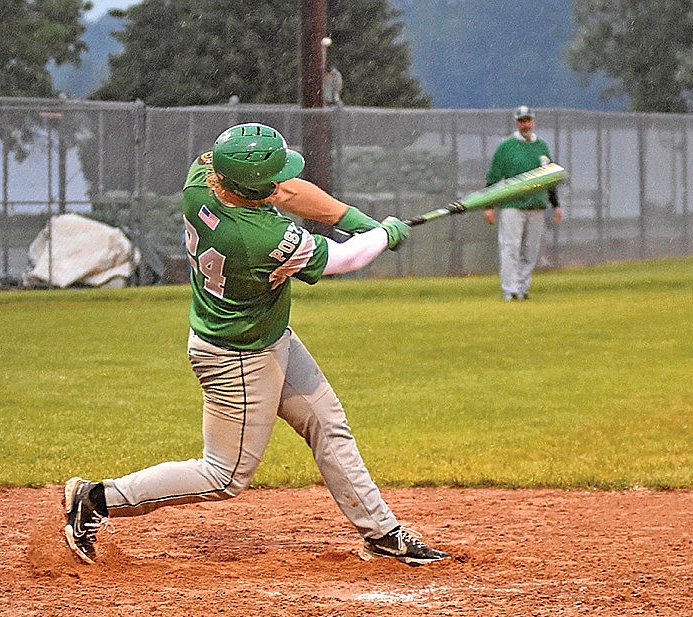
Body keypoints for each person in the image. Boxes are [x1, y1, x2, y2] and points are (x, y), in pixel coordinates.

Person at [63, 123, 449, 567]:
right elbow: (348, 259)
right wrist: (383, 235)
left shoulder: (203, 178)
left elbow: (285, 192)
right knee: (223, 475)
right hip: (240, 358)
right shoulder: (258, 239)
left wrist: (351, 219)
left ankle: (382, 533)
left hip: (265, 336)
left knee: (328, 424)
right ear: (248, 187)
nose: (278, 181)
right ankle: (96, 499)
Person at [483, 105, 563, 301]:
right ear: (517, 123)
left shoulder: (541, 147)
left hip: (536, 205)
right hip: (513, 206)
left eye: (528, 120)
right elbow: (493, 177)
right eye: (521, 121)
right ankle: (509, 290)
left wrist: (556, 205)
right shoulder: (506, 147)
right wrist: (489, 206)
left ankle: (522, 287)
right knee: (510, 247)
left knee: (531, 249)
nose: (525, 124)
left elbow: (549, 179)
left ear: (533, 121)